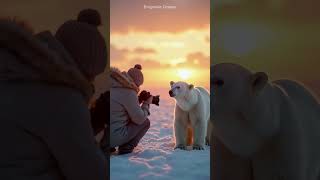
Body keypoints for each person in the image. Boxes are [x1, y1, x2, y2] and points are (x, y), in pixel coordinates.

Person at [0, 9, 107, 180]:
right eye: (93, 76)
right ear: (86, 72)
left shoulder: (15, 71)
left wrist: (89, 125)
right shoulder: (64, 97)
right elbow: (92, 174)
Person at [110, 64, 152, 154]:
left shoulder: (112, 84)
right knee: (145, 122)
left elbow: (121, 108)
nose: (138, 88)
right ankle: (126, 148)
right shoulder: (129, 92)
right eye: (138, 85)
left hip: (103, 136)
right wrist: (146, 103)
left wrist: (138, 100)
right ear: (135, 83)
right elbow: (139, 119)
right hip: (114, 137)